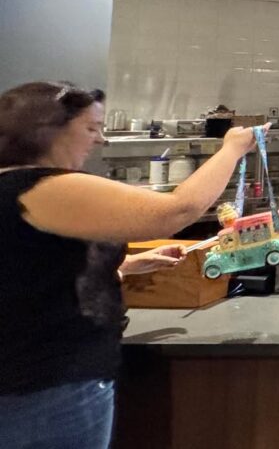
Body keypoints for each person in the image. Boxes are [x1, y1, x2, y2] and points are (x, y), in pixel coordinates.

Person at [0, 81, 260, 449]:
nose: (100, 139)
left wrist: (124, 266)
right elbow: (177, 211)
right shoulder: (40, 186)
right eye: (91, 128)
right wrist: (232, 149)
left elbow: (26, 273)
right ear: (47, 129)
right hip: (50, 386)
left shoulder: (10, 185)